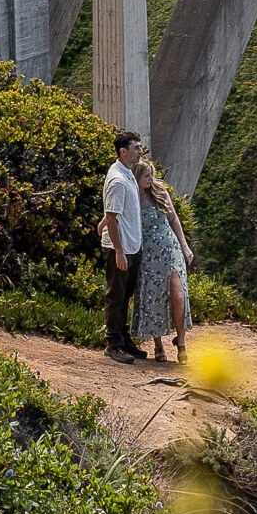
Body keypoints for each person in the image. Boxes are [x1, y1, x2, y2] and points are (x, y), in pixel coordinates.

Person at [129, 160, 194, 364]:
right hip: (148, 255)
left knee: (179, 295)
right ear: (137, 176)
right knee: (152, 298)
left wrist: (185, 247)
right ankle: (158, 344)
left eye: (151, 174)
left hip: (170, 249)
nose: (151, 178)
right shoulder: (130, 197)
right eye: (146, 175)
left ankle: (181, 342)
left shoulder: (160, 192)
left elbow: (174, 219)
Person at [100, 130, 147, 364]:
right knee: (116, 296)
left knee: (125, 295)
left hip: (130, 246)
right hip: (121, 248)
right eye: (137, 147)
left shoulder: (126, 172)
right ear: (124, 151)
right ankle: (113, 344)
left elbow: (112, 212)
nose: (140, 151)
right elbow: (112, 217)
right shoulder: (118, 179)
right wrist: (118, 250)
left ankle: (124, 339)